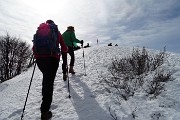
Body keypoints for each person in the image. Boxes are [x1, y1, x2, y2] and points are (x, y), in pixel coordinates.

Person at [32, 20, 68, 120]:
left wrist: (38, 55)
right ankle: (45, 111)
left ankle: (45, 106)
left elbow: (33, 47)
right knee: (49, 83)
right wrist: (64, 49)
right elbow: (64, 48)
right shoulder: (56, 31)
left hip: (40, 60)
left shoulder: (39, 31)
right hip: (52, 59)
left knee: (46, 80)